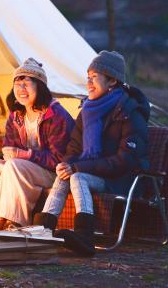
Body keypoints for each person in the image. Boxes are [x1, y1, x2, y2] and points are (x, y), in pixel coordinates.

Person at [33, 51, 150, 256]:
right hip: (95, 173)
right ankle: (44, 230)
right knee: (65, 175)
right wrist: (66, 163)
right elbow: (74, 148)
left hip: (122, 178)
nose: (88, 83)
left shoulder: (130, 112)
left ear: (112, 80)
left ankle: (85, 236)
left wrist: (77, 167)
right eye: (87, 77)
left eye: (94, 77)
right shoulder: (87, 109)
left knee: (77, 175)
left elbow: (124, 161)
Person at [0, 58, 75, 229]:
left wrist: (26, 154)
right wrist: (9, 153)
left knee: (14, 166)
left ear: (39, 87)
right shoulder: (16, 115)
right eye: (17, 84)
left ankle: (14, 221)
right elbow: (10, 148)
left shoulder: (55, 114)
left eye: (26, 84)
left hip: (53, 173)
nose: (21, 89)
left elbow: (59, 159)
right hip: (23, 169)